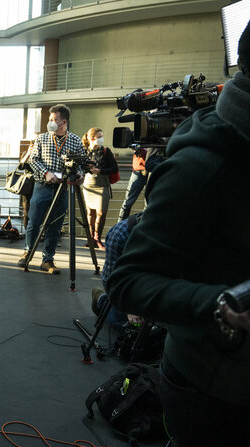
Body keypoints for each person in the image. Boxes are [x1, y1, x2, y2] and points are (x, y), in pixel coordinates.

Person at [107, 24, 250, 447]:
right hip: (215, 392)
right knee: (117, 233)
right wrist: (222, 305)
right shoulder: (201, 165)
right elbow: (128, 281)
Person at [17, 104, 88, 274]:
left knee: (55, 226)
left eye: (54, 120)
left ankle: (47, 260)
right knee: (34, 221)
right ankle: (28, 253)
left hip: (63, 189)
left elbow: (82, 164)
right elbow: (33, 160)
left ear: (63, 122)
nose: (51, 123)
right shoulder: (42, 139)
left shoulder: (76, 140)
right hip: (43, 186)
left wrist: (80, 174)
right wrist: (46, 173)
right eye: (50, 120)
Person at [81, 127, 117, 249]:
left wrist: (100, 170)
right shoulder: (84, 151)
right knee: (90, 213)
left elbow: (114, 168)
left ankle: (98, 237)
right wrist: (88, 168)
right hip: (88, 184)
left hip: (102, 185)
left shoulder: (106, 151)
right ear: (92, 138)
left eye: (102, 136)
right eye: (99, 136)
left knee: (101, 212)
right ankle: (91, 238)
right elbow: (80, 167)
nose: (102, 139)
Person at [117, 147, 148, 222]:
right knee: (128, 202)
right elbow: (133, 144)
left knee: (148, 203)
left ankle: (144, 226)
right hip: (139, 170)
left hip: (152, 170)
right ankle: (119, 226)